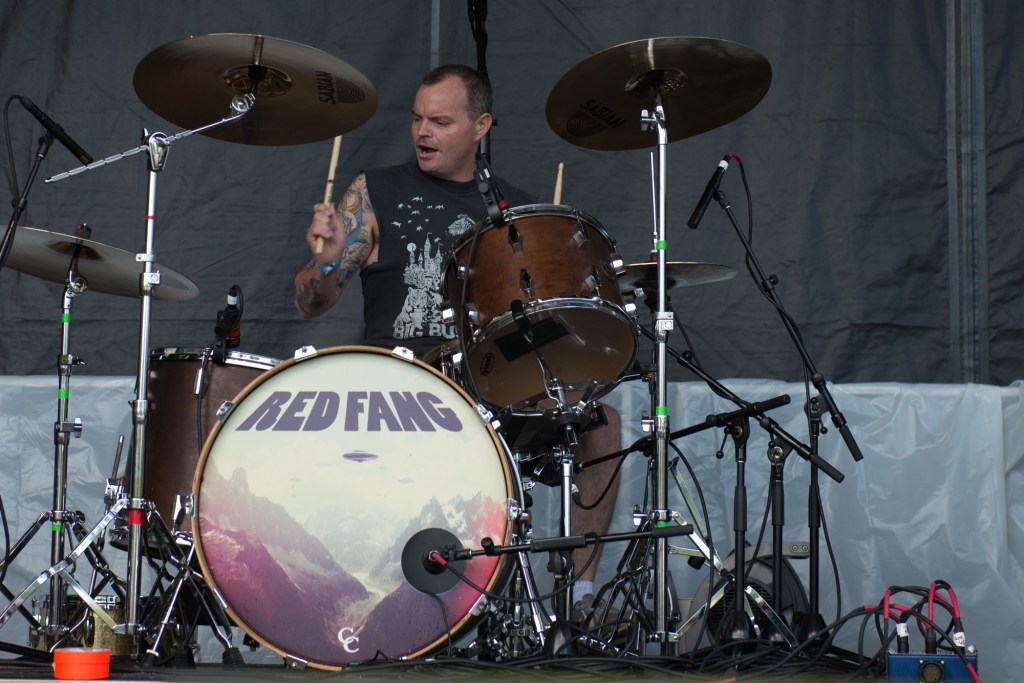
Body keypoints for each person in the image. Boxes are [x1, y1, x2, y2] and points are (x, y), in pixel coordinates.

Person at [294, 64, 620, 612]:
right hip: (399, 391)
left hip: (487, 390)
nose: (423, 132)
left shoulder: (512, 212)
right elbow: (310, 303)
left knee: (600, 423)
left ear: (481, 125)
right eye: (418, 119)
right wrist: (324, 265)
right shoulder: (373, 192)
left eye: (441, 121)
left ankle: (580, 596)